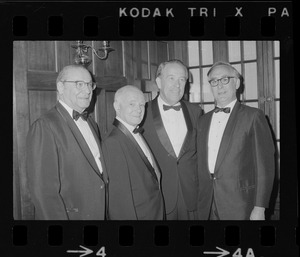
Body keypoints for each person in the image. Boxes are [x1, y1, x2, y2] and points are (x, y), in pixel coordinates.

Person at [26, 64, 108, 220]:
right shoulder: (45, 126)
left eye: (90, 84)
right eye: (79, 84)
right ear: (60, 87)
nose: (88, 90)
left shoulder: (91, 123)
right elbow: (43, 193)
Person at [197, 61, 275, 220]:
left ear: (237, 83)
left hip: (241, 205)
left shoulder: (254, 116)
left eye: (225, 79)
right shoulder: (202, 120)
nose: (220, 86)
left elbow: (265, 165)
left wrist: (259, 208)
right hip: (207, 204)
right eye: (214, 81)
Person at [141, 59, 203, 220]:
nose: (177, 85)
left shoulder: (196, 112)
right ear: (159, 82)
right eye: (171, 78)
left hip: (191, 196)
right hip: (158, 196)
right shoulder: (141, 112)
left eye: (182, 79)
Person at [102, 85, 165, 220]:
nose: (138, 109)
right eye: (132, 104)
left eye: (142, 105)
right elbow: (119, 201)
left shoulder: (135, 131)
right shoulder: (113, 142)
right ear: (117, 107)